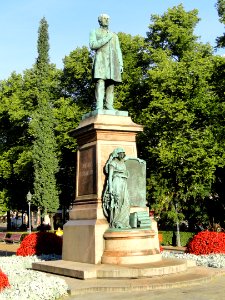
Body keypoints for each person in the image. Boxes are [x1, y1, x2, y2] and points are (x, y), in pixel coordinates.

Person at [89, 14, 123, 110]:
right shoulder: (94, 31)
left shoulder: (114, 35)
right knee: (100, 82)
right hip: (100, 60)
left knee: (111, 83)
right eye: (104, 18)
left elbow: (118, 49)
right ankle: (99, 106)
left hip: (113, 62)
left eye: (108, 19)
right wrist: (106, 38)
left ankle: (109, 105)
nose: (107, 20)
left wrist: (121, 63)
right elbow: (92, 45)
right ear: (100, 20)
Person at [103, 148, 130, 228]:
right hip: (117, 182)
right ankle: (116, 222)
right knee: (117, 202)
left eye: (123, 153)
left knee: (126, 201)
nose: (122, 155)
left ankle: (124, 222)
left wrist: (139, 160)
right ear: (117, 154)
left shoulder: (123, 162)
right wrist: (110, 188)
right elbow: (110, 176)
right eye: (120, 153)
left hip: (124, 182)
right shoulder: (113, 163)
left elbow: (130, 158)